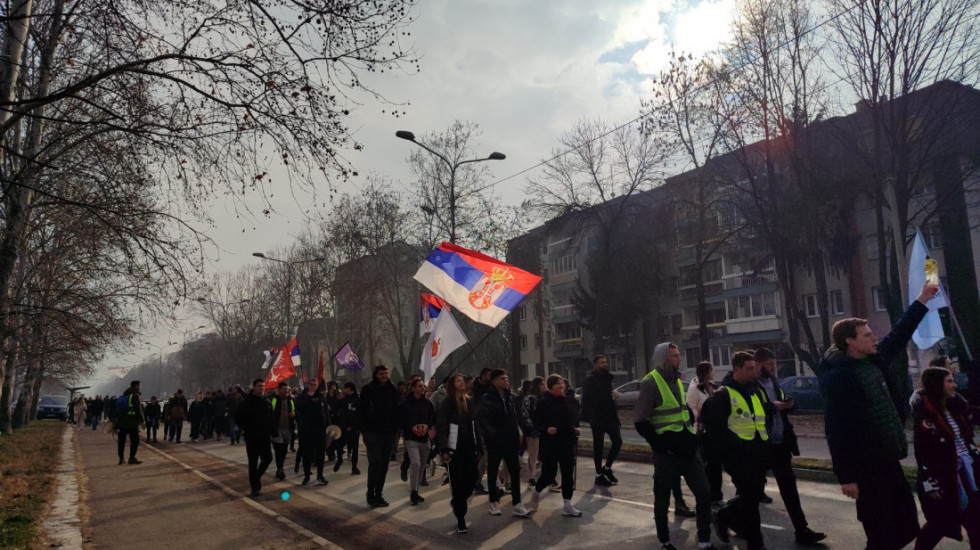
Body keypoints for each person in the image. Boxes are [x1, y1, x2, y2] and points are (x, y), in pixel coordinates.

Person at [821, 281, 939, 550]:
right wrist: (846, 476)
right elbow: (836, 429)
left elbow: (899, 333)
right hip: (865, 466)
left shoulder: (874, 359)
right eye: (867, 336)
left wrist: (922, 299)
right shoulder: (839, 377)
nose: (875, 338)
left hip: (887, 459)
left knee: (907, 524)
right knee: (880, 530)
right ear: (850, 341)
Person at [635, 342, 716, 550]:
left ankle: (705, 541)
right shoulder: (651, 382)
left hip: (688, 451)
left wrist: (692, 436)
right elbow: (640, 422)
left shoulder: (677, 381)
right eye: (674, 356)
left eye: (678, 355)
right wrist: (661, 446)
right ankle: (665, 542)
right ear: (663, 358)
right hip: (667, 455)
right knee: (662, 500)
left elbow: (682, 411)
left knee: (705, 494)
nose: (679, 359)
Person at [754, 348, 826, 544]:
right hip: (760, 446)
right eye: (770, 364)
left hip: (780, 444)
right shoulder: (751, 386)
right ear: (759, 364)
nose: (773, 368)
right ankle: (737, 523)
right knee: (750, 491)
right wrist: (773, 407)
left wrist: (789, 404)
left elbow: (781, 401)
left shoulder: (774, 382)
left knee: (789, 489)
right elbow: (752, 411)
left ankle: (801, 530)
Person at [702, 351, 768, 550]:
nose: (753, 372)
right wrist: (735, 445)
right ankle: (756, 544)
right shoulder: (723, 395)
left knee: (753, 496)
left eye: (753, 367)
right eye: (748, 368)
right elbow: (715, 428)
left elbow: (762, 416)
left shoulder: (754, 390)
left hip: (757, 453)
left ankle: (725, 515)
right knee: (751, 499)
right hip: (737, 457)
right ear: (736, 368)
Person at [911, 366, 980, 549]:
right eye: (949, 381)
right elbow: (923, 452)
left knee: (975, 523)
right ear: (937, 385)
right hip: (946, 477)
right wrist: (929, 482)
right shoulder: (925, 415)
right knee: (938, 525)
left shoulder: (956, 408)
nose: (954, 385)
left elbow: (966, 439)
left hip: (966, 473)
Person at [478, 368, 532, 518]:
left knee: (514, 471)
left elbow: (515, 418)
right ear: (494, 381)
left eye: (507, 379)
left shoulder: (510, 398)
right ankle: (493, 501)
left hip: (510, 440)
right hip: (495, 441)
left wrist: (520, 434)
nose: (506, 381)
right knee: (493, 470)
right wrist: (492, 435)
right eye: (502, 379)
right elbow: (483, 419)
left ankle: (517, 503)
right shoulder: (487, 398)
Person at [527, 374, 582, 518]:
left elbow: (570, 419)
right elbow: (536, 421)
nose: (561, 385)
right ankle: (537, 491)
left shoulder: (566, 401)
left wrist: (574, 428)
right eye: (558, 383)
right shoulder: (544, 402)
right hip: (550, 442)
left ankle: (567, 504)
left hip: (566, 441)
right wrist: (546, 429)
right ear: (551, 386)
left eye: (562, 383)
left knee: (567, 473)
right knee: (549, 473)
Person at [437, 374, 485, 533]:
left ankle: (458, 503)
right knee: (457, 484)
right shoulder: (447, 403)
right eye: (459, 381)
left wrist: (480, 445)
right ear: (452, 385)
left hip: (469, 447)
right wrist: (444, 449)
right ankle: (461, 518)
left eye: (463, 380)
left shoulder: (469, 401)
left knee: (471, 479)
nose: (462, 382)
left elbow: (475, 424)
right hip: (453, 450)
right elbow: (442, 427)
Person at [358, 365, 400, 507]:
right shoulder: (368, 390)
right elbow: (361, 410)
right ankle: (370, 494)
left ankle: (379, 494)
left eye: (386, 373)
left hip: (388, 432)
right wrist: (363, 428)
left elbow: (397, 409)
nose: (384, 376)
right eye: (381, 373)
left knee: (384, 465)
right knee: (375, 462)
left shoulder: (392, 390)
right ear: (376, 374)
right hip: (372, 432)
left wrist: (395, 427)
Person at [581, 354, 623, 487]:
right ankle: (599, 475)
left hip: (610, 416)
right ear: (595, 365)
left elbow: (607, 396)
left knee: (618, 441)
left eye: (605, 362)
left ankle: (608, 468)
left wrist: (612, 395)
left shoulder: (607, 378)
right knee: (598, 447)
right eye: (601, 362)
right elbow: (586, 400)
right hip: (598, 417)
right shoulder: (590, 380)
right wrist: (591, 417)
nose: (604, 364)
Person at [687, 360, 724, 506]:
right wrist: (700, 415)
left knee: (716, 465)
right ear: (706, 372)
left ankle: (717, 495)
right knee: (706, 466)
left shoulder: (714, 387)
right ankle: (706, 497)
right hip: (702, 431)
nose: (713, 372)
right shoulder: (694, 388)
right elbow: (690, 406)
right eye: (711, 370)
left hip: (715, 430)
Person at [236, 378, 274, 498]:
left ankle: (256, 477)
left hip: (264, 436)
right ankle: (255, 487)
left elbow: (271, 418)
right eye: (259, 386)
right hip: (252, 437)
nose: (261, 388)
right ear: (253, 387)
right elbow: (238, 418)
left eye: (263, 386)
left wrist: (273, 431)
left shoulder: (267, 401)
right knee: (253, 462)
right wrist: (247, 428)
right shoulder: (246, 402)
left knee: (268, 458)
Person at [400, 378, 435, 505]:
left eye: (423, 386)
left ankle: (416, 490)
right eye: (419, 386)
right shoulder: (405, 404)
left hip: (424, 439)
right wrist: (411, 427)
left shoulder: (427, 403)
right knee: (415, 463)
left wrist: (427, 425)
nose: (422, 388)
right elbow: (401, 419)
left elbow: (432, 417)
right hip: (411, 438)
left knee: (422, 465)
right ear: (413, 388)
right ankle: (413, 491)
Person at [295, 379, 329, 485]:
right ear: (307, 385)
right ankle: (306, 476)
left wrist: (328, 425)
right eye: (311, 384)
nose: (313, 386)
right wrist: (308, 398)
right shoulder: (301, 397)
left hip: (319, 430)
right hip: (306, 431)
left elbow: (326, 413)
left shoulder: (321, 397)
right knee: (307, 454)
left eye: (315, 384)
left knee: (320, 454)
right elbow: (299, 408)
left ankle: (320, 475)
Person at [520, 376, 545, 487]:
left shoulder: (545, 398)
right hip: (532, 432)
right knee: (533, 455)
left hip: (545, 430)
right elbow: (525, 415)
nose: (544, 387)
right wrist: (532, 427)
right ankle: (531, 477)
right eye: (541, 384)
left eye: (545, 384)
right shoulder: (529, 399)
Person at [270, 382, 296, 480]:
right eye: (284, 389)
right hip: (277, 428)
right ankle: (280, 469)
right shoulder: (273, 399)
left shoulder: (291, 399)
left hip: (288, 428)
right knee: (278, 449)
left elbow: (296, 409)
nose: (286, 391)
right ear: (279, 389)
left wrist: (294, 413)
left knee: (284, 449)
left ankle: (280, 467)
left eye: (287, 390)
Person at [333, 381, 361, 475]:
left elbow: (359, 414)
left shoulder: (357, 399)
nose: (343, 390)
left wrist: (354, 426)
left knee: (354, 448)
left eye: (345, 388)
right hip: (343, 427)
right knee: (339, 445)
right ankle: (340, 459)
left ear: (349, 388)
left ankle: (354, 466)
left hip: (354, 428)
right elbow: (335, 409)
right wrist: (339, 400)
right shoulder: (344, 398)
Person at [115, 381, 145, 465]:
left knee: (121, 441)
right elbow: (138, 410)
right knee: (135, 440)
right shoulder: (135, 395)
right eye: (140, 385)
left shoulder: (125, 395)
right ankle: (132, 458)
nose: (140, 387)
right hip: (131, 422)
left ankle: (121, 458)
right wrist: (142, 421)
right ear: (136, 386)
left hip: (122, 421)